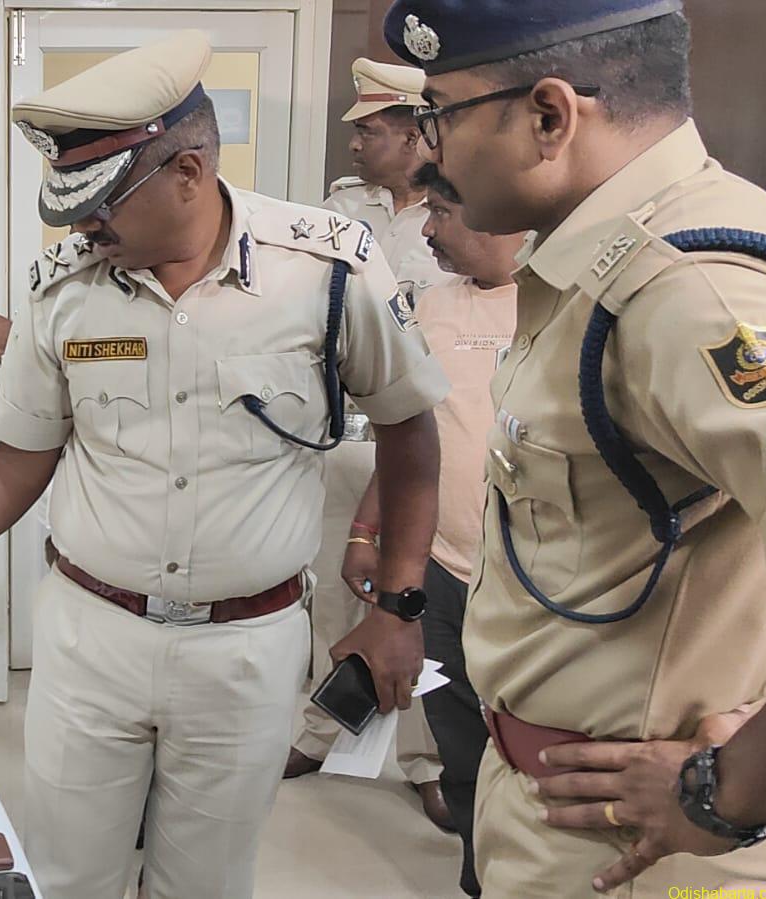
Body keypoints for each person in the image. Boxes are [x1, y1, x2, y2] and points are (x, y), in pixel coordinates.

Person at [0, 30, 450, 899]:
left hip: (245, 650)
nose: (82, 224)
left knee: (205, 883)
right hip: (91, 639)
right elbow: (17, 459)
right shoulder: (64, 286)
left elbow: (409, 431)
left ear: (187, 172)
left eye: (101, 202)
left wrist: (397, 604)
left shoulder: (328, 269)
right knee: (69, 875)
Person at [386, 1, 766, 895]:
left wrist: (734, 791)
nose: (425, 153)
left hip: (636, 847)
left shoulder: (686, 288)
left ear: (549, 116)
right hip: (548, 800)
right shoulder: (599, 262)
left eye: (438, 115)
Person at [342, 162, 526, 897]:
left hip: (531, 582)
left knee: (527, 752)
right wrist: (366, 530)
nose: (427, 231)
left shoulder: (562, 302)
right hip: (443, 571)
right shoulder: (433, 306)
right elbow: (407, 432)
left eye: (442, 215)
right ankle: (479, 876)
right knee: (459, 742)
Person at [285, 56, 451, 835]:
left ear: (417, 134)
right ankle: (321, 728)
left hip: (428, 439)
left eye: (372, 130)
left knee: (418, 600)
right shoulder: (340, 207)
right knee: (334, 589)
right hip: (346, 431)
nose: (354, 143)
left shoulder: (464, 208)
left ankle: (427, 760)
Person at [325, 57, 457, 310]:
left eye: (366, 132)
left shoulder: (459, 218)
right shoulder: (341, 208)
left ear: (412, 138)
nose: (354, 144)